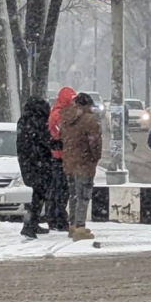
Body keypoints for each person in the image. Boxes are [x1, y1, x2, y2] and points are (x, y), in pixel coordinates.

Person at [60, 92, 103, 241]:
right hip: (84, 163)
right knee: (83, 196)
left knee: (73, 195)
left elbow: (62, 140)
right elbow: (95, 143)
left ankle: (72, 225)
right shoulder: (89, 120)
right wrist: (95, 158)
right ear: (87, 105)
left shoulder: (65, 119)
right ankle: (80, 227)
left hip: (69, 162)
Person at [16, 97, 53, 240]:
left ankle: (33, 222)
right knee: (39, 195)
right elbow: (44, 141)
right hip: (39, 163)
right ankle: (29, 224)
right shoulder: (38, 122)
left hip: (28, 163)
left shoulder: (24, 120)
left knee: (37, 195)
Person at [47, 86, 75, 232]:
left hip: (60, 155)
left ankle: (55, 217)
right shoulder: (59, 114)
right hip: (60, 157)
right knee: (61, 190)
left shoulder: (57, 112)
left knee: (60, 189)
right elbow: (62, 133)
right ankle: (58, 218)